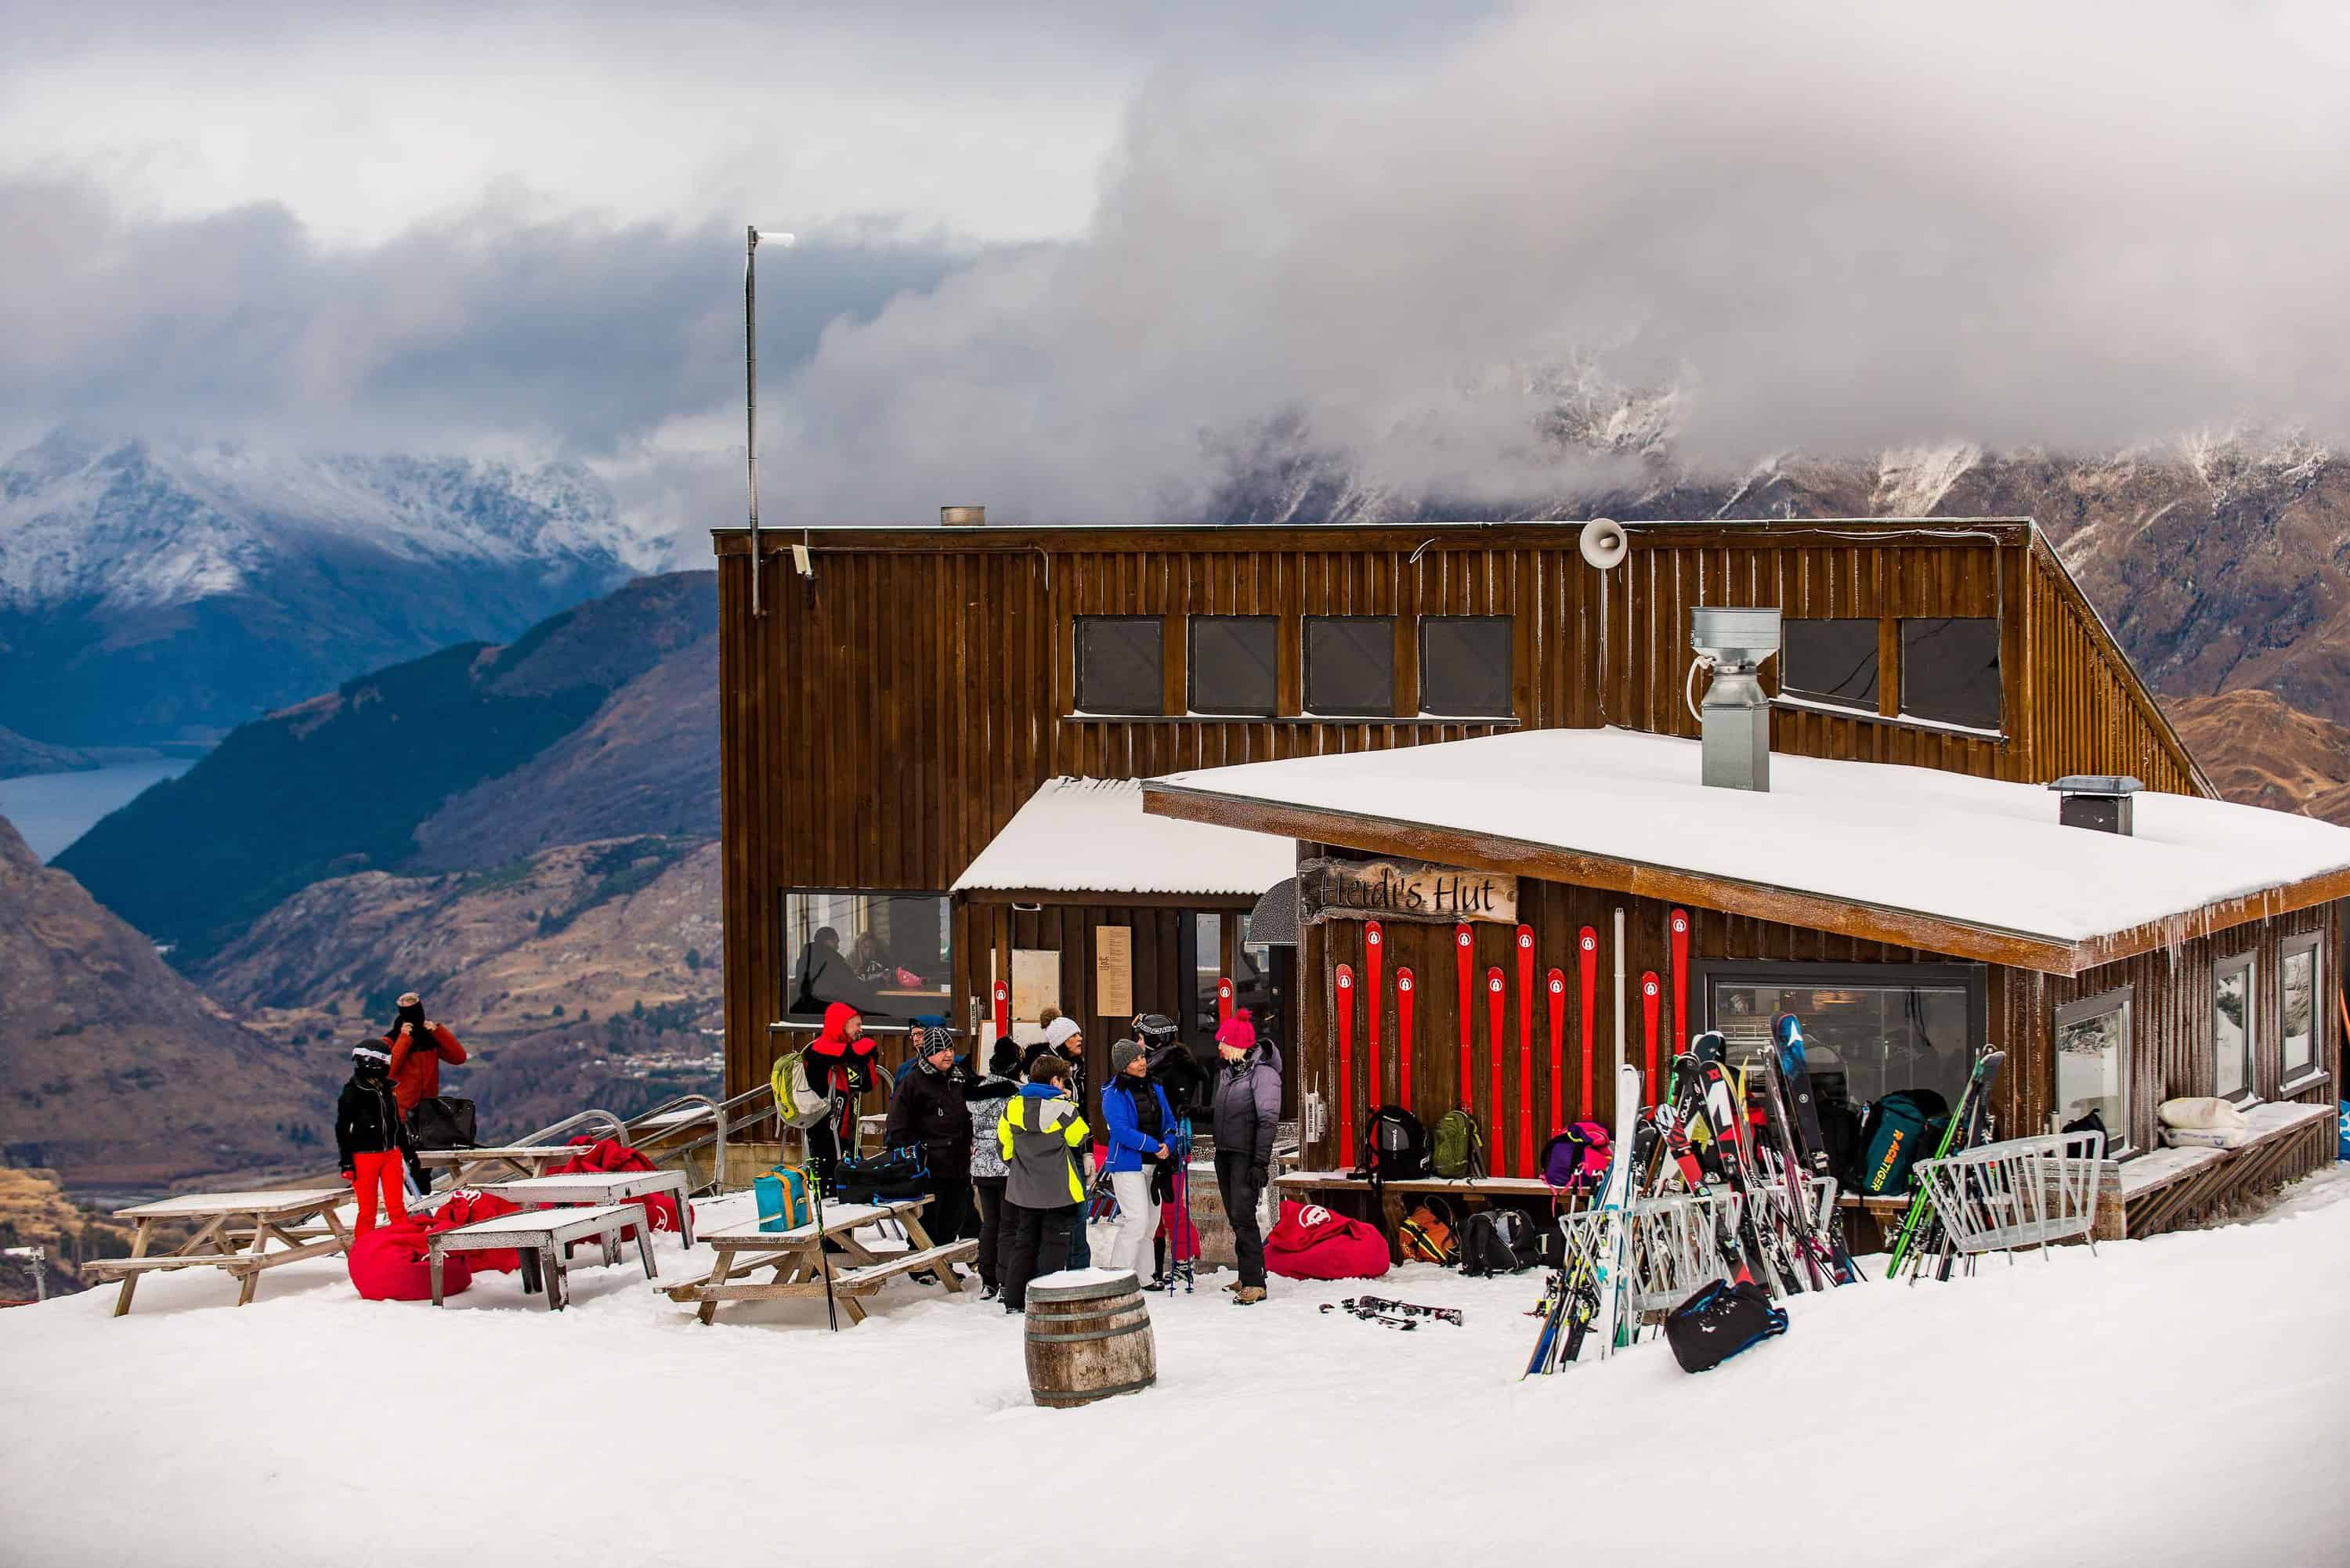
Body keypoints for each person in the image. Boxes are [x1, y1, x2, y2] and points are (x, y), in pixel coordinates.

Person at [996, 1053, 1089, 1313]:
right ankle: (1047, 1300)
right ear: (1055, 1080)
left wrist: (1020, 1168)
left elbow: (1003, 1148)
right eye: (1063, 1081)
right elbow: (1078, 1137)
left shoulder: (1012, 1107)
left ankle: (1014, 1299)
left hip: (1024, 1190)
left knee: (1024, 1242)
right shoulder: (1064, 1108)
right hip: (1059, 1189)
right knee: (1054, 1244)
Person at [884, 1024, 975, 1270]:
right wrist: (912, 1154)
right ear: (929, 1053)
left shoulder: (960, 1077)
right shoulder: (913, 1081)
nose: (948, 1054)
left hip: (959, 1159)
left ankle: (942, 1267)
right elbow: (897, 1124)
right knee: (930, 1219)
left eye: (950, 1048)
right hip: (929, 1163)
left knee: (954, 1217)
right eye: (941, 1050)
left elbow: (971, 1113)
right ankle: (921, 1268)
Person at [1210, 1008, 1282, 1306]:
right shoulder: (1229, 1072)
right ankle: (1247, 1271)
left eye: (1223, 1042)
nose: (1219, 1048)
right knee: (1235, 1217)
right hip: (1225, 1152)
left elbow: (1268, 1120)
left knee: (1244, 1216)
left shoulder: (1263, 1074)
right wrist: (1198, 1113)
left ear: (1237, 1045)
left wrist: (1259, 1163)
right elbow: (1226, 1113)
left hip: (1246, 1155)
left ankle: (1255, 1282)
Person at [1101, 1037, 1174, 1281]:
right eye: (1134, 1060)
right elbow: (1120, 1130)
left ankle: (1145, 1276)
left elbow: (1170, 1123)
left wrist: (1169, 1144)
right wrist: (1154, 1145)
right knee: (1136, 1220)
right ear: (1123, 1066)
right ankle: (1118, 1276)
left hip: (1156, 1164)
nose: (1141, 1063)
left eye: (1141, 1057)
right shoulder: (1113, 1093)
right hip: (1127, 1164)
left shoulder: (1157, 1087)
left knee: (1151, 1223)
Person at [335, 1043, 413, 1237]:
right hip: (364, 1157)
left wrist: (407, 1151)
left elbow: (396, 1122)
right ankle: (364, 1252)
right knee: (368, 1210)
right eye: (386, 1061)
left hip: (391, 1154)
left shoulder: (386, 1088)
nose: (389, 1065)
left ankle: (404, 1245)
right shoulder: (353, 1091)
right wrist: (346, 1162)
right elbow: (343, 1127)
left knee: (397, 1207)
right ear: (375, 1062)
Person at [964, 1040, 1021, 1299]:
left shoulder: (976, 1093)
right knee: (1009, 1225)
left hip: (981, 1165)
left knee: (990, 1224)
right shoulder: (1016, 1093)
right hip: (1008, 1165)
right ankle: (1006, 1278)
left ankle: (987, 1278)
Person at [804, 1000, 880, 1184]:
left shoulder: (846, 1054)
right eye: (857, 1024)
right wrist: (867, 1048)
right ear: (841, 1024)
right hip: (824, 1134)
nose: (861, 1030)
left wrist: (868, 1058)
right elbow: (852, 1053)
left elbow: (868, 1085)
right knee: (828, 1188)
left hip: (848, 1134)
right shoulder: (818, 1049)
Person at [791, 927, 877, 1015]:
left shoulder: (804, 959)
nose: (838, 947)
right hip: (828, 1010)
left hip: (803, 1010)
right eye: (836, 942)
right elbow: (854, 985)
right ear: (828, 941)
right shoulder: (833, 960)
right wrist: (879, 982)